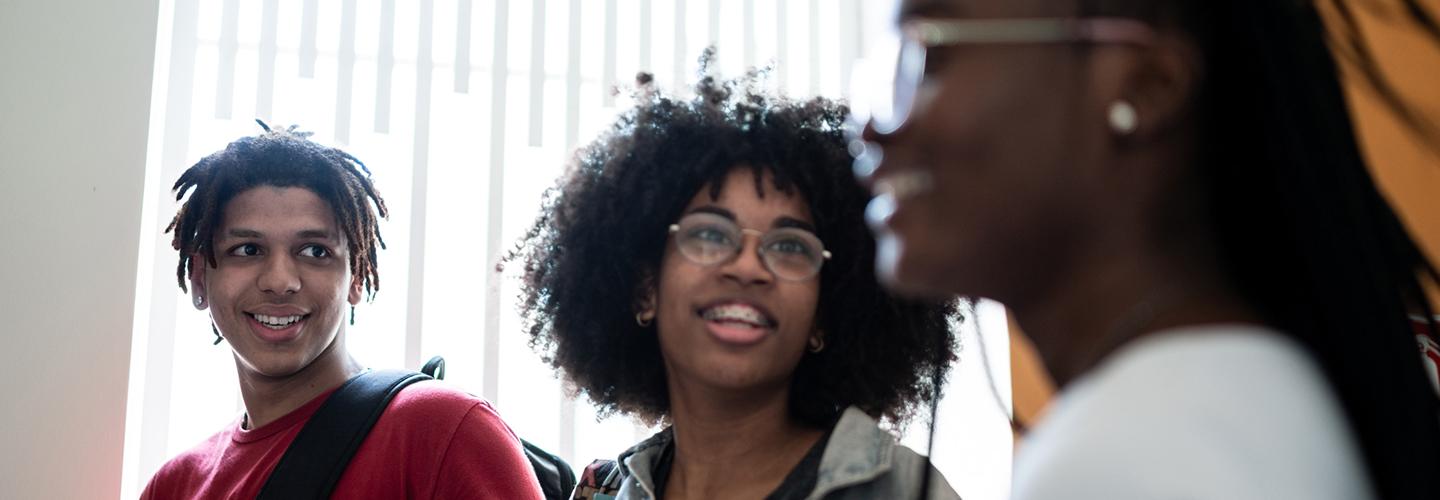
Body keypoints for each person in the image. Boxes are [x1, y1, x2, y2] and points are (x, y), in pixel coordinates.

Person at [851, 1, 1440, 499]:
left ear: (1145, 87)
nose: (873, 130)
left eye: (922, 54)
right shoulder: (1236, 399)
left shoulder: (1133, 453)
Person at [508, 56, 961, 499]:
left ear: (822, 317)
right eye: (708, 234)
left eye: (789, 246)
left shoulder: (906, 490)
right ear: (647, 291)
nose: (747, 266)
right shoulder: (606, 493)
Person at [141, 123, 544, 499]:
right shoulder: (175, 485)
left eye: (315, 251)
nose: (280, 281)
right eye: (247, 250)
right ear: (198, 279)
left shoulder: (444, 432)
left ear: (356, 277)